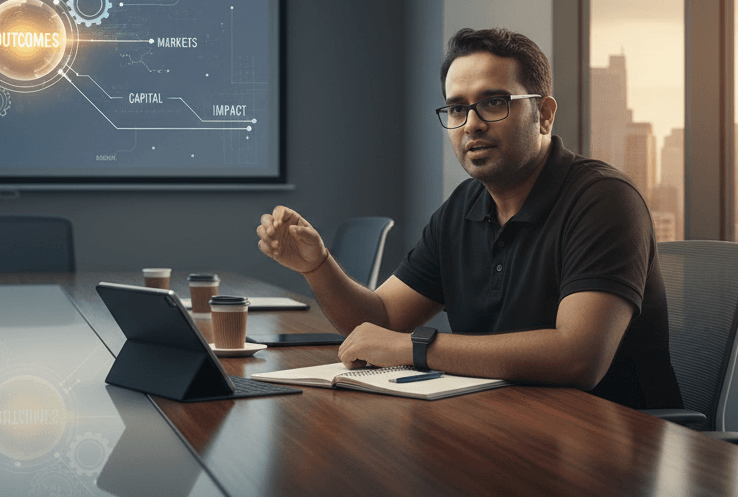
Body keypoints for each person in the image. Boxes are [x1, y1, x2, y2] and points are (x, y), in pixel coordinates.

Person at [256, 27, 682, 409]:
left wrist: (415, 348)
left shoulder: (603, 200)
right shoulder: (464, 206)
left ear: (545, 114)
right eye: (457, 109)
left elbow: (578, 356)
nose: (471, 124)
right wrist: (317, 265)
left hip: (612, 445)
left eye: (493, 102)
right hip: (501, 423)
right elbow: (381, 322)